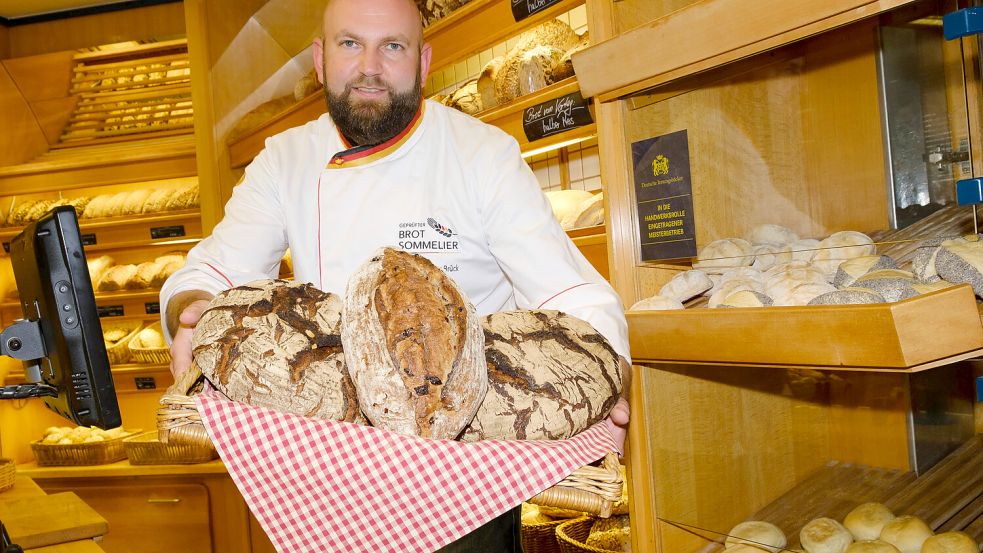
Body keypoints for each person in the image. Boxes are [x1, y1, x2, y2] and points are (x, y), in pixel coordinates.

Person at [161, 0, 631, 550]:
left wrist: (606, 370)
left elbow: (569, 291)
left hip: (464, 478)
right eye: (350, 43)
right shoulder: (286, 159)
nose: (370, 67)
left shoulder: (482, 155)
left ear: (424, 61)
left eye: (393, 46)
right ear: (320, 58)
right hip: (329, 463)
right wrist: (190, 309)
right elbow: (214, 270)